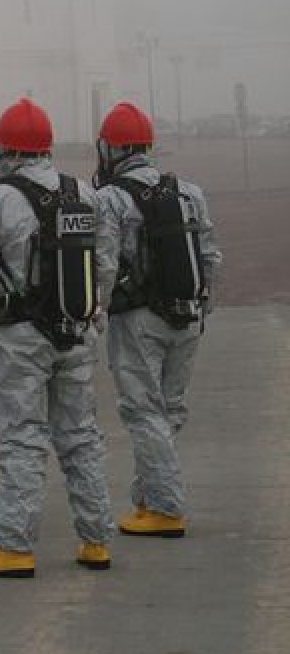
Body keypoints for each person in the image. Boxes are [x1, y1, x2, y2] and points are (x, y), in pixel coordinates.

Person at [0, 98, 115, 577]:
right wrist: (94, 314)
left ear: (2, 146)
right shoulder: (84, 193)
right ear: (47, 145)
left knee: (23, 439)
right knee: (81, 437)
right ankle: (96, 541)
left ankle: (14, 547)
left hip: (21, 337)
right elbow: (104, 265)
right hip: (77, 333)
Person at [94, 102, 223, 537]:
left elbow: (106, 266)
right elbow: (210, 256)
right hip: (186, 317)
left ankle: (166, 508)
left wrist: (95, 315)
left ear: (110, 149)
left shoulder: (111, 199)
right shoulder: (189, 191)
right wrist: (201, 305)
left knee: (141, 410)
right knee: (168, 410)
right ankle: (148, 499)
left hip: (139, 320)